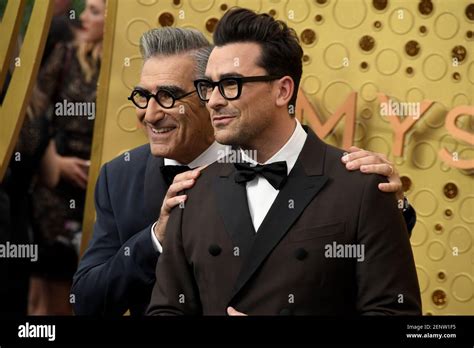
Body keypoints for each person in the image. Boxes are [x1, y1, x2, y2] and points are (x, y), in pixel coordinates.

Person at [72, 26, 416, 315]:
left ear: (282, 91)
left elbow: (385, 295)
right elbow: (91, 299)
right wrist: (156, 238)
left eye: (169, 96)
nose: (149, 113)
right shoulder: (122, 179)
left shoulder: (350, 180)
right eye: (142, 96)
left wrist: (392, 205)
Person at [29, 0, 105, 315]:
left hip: (101, 185)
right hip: (57, 189)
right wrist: (53, 162)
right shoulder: (67, 53)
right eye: (84, 8)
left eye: (95, 11)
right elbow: (30, 114)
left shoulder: (130, 63)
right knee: (52, 285)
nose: (83, 17)